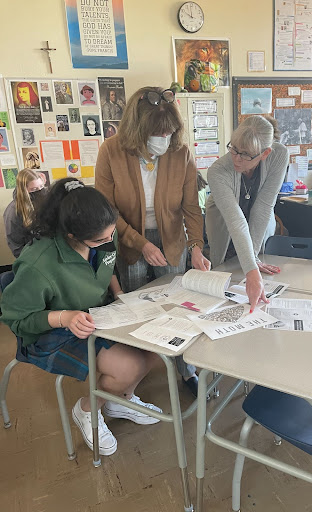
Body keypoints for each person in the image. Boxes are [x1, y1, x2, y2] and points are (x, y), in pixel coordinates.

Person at [0, 178, 162, 456]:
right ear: (71, 236)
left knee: (158, 347)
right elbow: (17, 319)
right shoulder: (38, 263)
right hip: (51, 331)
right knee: (129, 367)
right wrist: (64, 318)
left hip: (96, 315)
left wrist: (120, 292)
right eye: (100, 239)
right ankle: (87, 409)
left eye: (111, 234)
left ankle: (119, 399)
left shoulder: (101, 235)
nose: (108, 242)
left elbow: (108, 266)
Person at [95, 86, 210, 397]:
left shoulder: (181, 154)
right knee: (137, 308)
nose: (164, 140)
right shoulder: (110, 151)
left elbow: (190, 208)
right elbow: (106, 210)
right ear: (137, 130)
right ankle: (134, 375)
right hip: (129, 241)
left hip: (171, 239)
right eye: (156, 134)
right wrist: (140, 243)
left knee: (177, 307)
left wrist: (195, 246)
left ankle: (186, 369)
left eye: (169, 133)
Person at [206, 115, 289, 312]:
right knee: (227, 276)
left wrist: (252, 260)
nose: (236, 158)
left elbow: (263, 208)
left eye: (245, 155)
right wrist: (251, 269)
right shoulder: (217, 171)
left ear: (265, 153)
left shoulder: (279, 155)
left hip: (254, 227)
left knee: (251, 273)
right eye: (233, 149)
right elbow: (235, 221)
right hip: (224, 223)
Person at [3, 169, 47, 258]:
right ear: (24, 190)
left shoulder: (43, 202)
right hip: (31, 256)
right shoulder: (13, 211)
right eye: (34, 189)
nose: (39, 191)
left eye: (41, 187)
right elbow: (16, 245)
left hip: (45, 251)